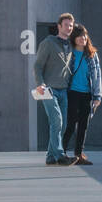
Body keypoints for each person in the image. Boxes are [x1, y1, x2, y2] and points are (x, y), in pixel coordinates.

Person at [33, 13, 76, 165]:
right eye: (66, 25)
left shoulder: (71, 45)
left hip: (63, 90)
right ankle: (60, 155)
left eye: (71, 25)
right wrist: (40, 83)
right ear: (59, 26)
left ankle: (50, 157)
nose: (69, 28)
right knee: (56, 120)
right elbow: (37, 65)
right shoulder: (48, 42)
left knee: (62, 125)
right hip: (48, 89)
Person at [62, 24, 102, 165]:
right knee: (71, 124)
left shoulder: (91, 54)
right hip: (72, 92)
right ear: (74, 38)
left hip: (87, 94)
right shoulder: (69, 52)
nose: (83, 38)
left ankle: (78, 155)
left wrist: (97, 96)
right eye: (79, 35)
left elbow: (97, 76)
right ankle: (62, 152)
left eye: (84, 35)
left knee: (83, 125)